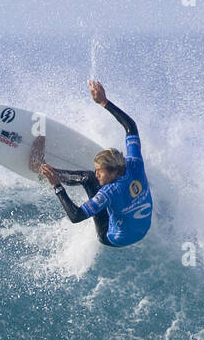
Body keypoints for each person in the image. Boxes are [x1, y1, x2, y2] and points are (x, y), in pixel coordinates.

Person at [38, 81, 152, 247]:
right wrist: (104, 102)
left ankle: (44, 171)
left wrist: (57, 186)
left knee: (88, 179)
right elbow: (131, 128)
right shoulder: (135, 164)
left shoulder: (108, 193)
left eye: (100, 171)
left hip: (112, 237)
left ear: (114, 172)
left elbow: (76, 216)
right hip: (142, 230)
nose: (97, 173)